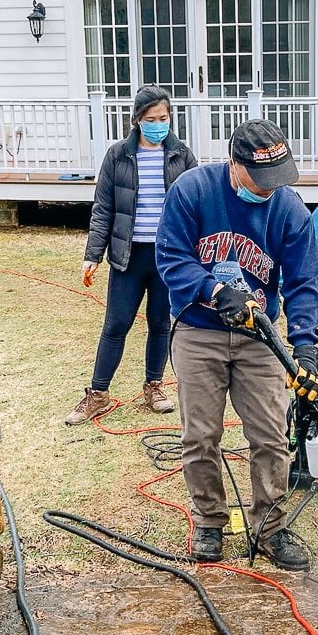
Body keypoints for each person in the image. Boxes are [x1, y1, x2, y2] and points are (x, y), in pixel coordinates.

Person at [156, 119, 318, 570]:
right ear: (234, 164)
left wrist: (304, 348)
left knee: (270, 435)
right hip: (198, 332)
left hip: (258, 337)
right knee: (200, 435)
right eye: (260, 180)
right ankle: (210, 521)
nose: (269, 190)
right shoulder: (192, 191)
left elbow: (304, 284)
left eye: (277, 180)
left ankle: (270, 527)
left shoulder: (290, 210)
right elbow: (170, 259)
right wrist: (213, 291)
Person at [65, 86, 198, 425]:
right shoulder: (118, 156)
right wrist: (92, 254)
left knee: (160, 323)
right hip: (128, 255)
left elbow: (198, 205)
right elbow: (103, 207)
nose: (158, 124)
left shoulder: (182, 155)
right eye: (151, 119)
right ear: (137, 120)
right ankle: (98, 393)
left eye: (163, 118)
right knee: (116, 324)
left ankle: (154, 386)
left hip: (169, 256)